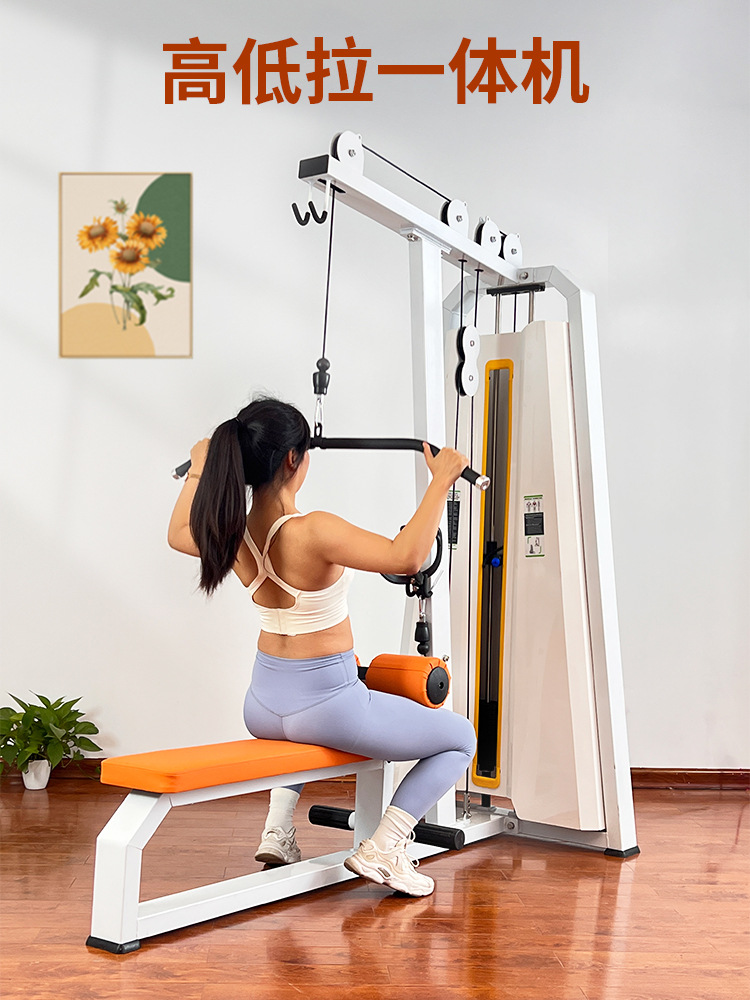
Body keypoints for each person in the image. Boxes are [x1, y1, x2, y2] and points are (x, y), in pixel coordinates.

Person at [167, 397, 477, 897]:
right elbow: (407, 558)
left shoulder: (232, 531)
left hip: (264, 705)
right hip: (327, 708)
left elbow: (178, 533)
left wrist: (198, 468)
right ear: (293, 459)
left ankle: (278, 829)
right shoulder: (314, 530)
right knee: (460, 737)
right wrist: (441, 479)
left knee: (337, 694)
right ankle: (386, 847)